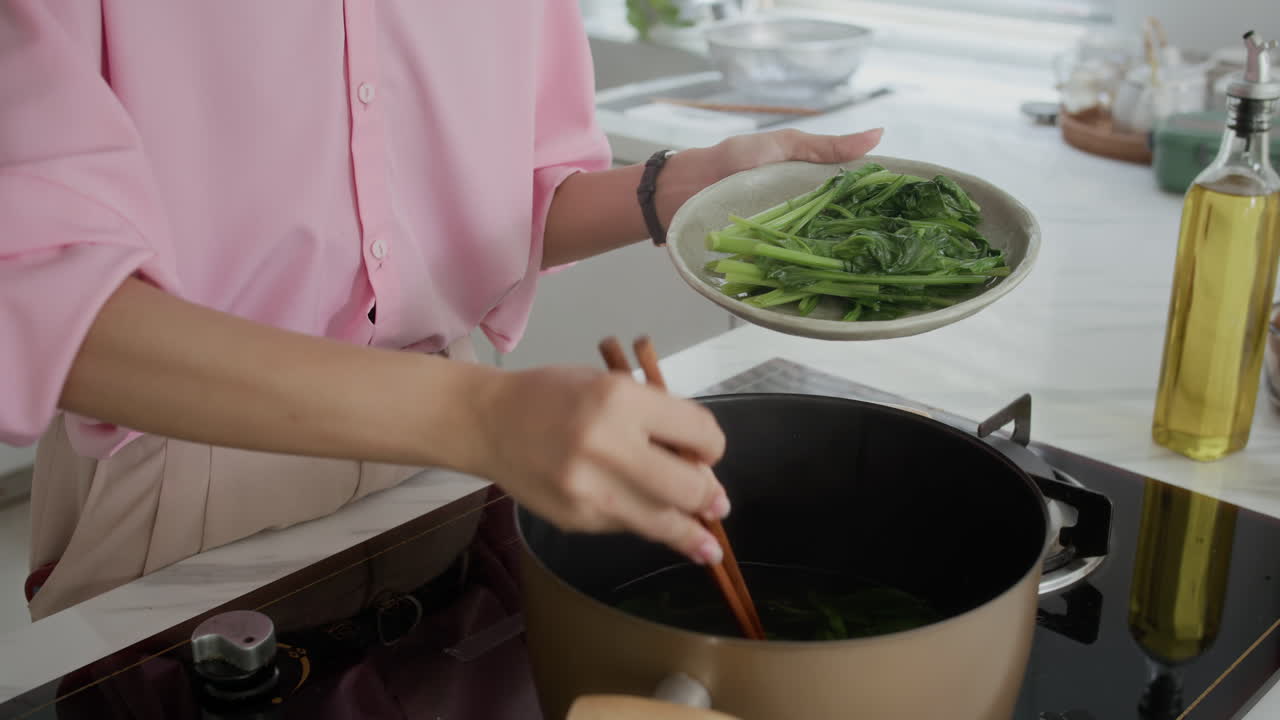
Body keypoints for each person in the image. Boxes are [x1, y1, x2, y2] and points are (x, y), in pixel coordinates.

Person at [0, 0, 882, 621]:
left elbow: (506, 199)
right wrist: (480, 417)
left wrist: (687, 185)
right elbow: (37, 289)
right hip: (185, 464)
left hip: (443, 471)